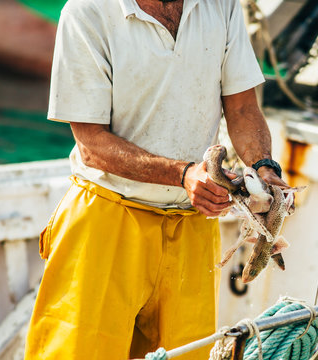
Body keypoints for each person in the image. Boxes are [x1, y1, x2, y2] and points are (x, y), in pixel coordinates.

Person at [24, 0, 287, 358]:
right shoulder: (86, 12)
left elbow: (242, 108)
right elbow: (92, 145)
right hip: (106, 221)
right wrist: (183, 174)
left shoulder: (220, 5)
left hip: (190, 227)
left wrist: (265, 168)